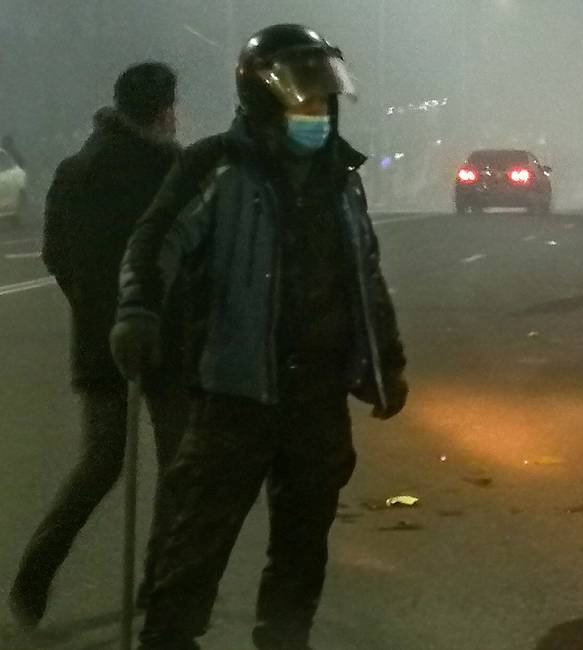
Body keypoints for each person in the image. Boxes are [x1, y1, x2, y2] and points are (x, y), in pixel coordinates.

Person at [109, 24, 408, 650]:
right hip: (233, 394)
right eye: (304, 92)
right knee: (192, 551)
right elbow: (154, 240)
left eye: (324, 93)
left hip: (317, 399)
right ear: (261, 94)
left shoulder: (340, 177)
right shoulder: (216, 166)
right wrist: (138, 311)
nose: (318, 107)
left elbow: (364, 275)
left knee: (302, 553)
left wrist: (387, 363)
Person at [8, 62, 188, 629]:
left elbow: (55, 255)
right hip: (165, 340)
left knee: (100, 463)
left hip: (99, 340)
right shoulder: (173, 169)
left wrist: (94, 309)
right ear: (162, 111)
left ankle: (34, 573)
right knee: (176, 464)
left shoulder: (75, 168)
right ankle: (163, 585)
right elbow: (192, 255)